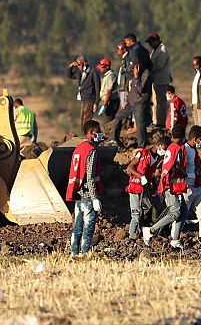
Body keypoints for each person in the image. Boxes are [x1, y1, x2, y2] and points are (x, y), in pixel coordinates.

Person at [144, 124, 188, 248]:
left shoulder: (171, 148)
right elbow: (175, 166)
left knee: (183, 212)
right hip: (170, 185)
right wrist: (185, 174)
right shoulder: (176, 148)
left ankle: (175, 239)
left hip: (172, 184)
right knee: (175, 212)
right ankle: (151, 230)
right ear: (182, 137)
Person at [65, 119, 103, 258]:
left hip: (78, 195)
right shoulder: (91, 151)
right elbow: (90, 176)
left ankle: (74, 253)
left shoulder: (78, 149)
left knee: (77, 227)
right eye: (98, 132)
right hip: (87, 195)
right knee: (88, 227)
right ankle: (85, 253)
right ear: (92, 133)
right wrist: (94, 198)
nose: (100, 134)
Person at [170, 125, 201, 241]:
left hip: (197, 187)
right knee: (180, 218)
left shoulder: (194, 150)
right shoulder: (183, 150)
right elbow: (176, 166)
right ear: (195, 138)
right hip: (186, 188)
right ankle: (174, 240)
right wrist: (187, 176)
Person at [125, 135, 169, 239]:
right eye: (164, 148)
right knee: (136, 213)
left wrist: (158, 188)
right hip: (135, 187)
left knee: (149, 208)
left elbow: (151, 174)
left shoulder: (157, 158)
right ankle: (131, 236)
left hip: (144, 188)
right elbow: (130, 167)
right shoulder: (142, 154)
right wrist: (141, 177)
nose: (164, 151)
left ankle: (142, 231)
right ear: (158, 145)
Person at [110, 55, 152, 148]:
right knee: (118, 117)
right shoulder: (135, 73)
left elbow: (140, 89)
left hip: (140, 103)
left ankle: (141, 146)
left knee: (140, 125)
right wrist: (126, 101)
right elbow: (133, 90)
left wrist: (137, 77)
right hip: (131, 102)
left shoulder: (146, 74)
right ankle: (114, 140)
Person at [67, 55, 102, 133]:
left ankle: (87, 136)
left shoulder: (93, 72)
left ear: (85, 63)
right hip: (83, 99)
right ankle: (84, 135)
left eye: (79, 64)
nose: (78, 66)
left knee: (87, 119)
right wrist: (71, 66)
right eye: (77, 65)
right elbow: (69, 75)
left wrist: (96, 102)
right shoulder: (80, 73)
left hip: (90, 99)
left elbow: (97, 88)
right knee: (82, 119)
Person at [145, 32, 172, 129]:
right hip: (156, 80)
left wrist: (147, 70)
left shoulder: (162, 49)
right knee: (156, 102)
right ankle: (156, 121)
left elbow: (159, 66)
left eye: (151, 42)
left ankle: (160, 123)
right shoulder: (155, 50)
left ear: (156, 41)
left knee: (161, 102)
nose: (150, 44)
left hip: (161, 80)